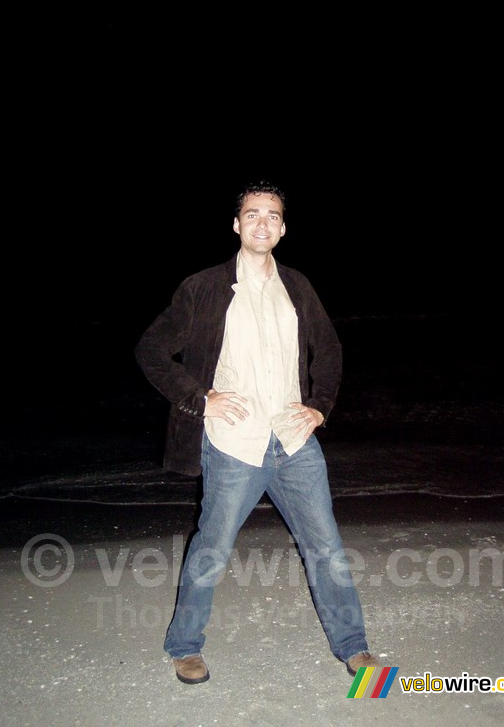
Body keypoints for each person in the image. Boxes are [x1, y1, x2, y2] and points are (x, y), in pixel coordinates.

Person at [134, 180, 379, 684]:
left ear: (283, 228)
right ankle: (184, 645)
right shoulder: (203, 287)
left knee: (326, 547)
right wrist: (201, 398)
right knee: (213, 547)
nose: (262, 222)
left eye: (272, 215)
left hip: (293, 442)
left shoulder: (298, 287)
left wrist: (319, 408)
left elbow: (328, 351)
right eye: (252, 214)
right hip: (233, 444)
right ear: (236, 224)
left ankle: (354, 649)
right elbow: (152, 350)